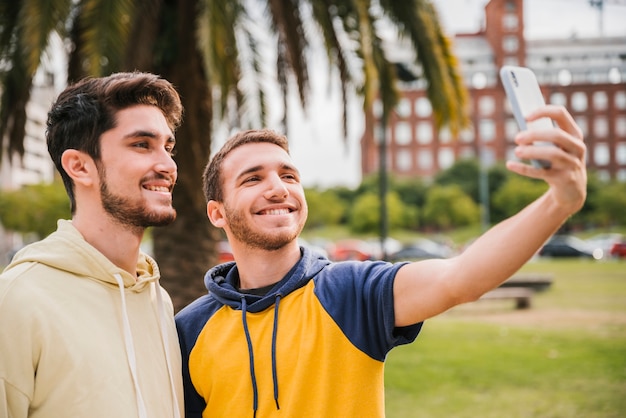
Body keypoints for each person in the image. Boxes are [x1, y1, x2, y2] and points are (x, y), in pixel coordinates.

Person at [175, 105, 587, 417]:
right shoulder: (189, 329)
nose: (278, 188)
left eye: (288, 175)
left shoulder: (351, 291)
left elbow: (461, 277)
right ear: (217, 213)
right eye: (253, 178)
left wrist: (558, 203)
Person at [0, 72, 184, 418]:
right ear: (80, 167)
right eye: (142, 144)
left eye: (168, 147)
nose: (168, 165)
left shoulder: (157, 299)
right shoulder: (16, 301)